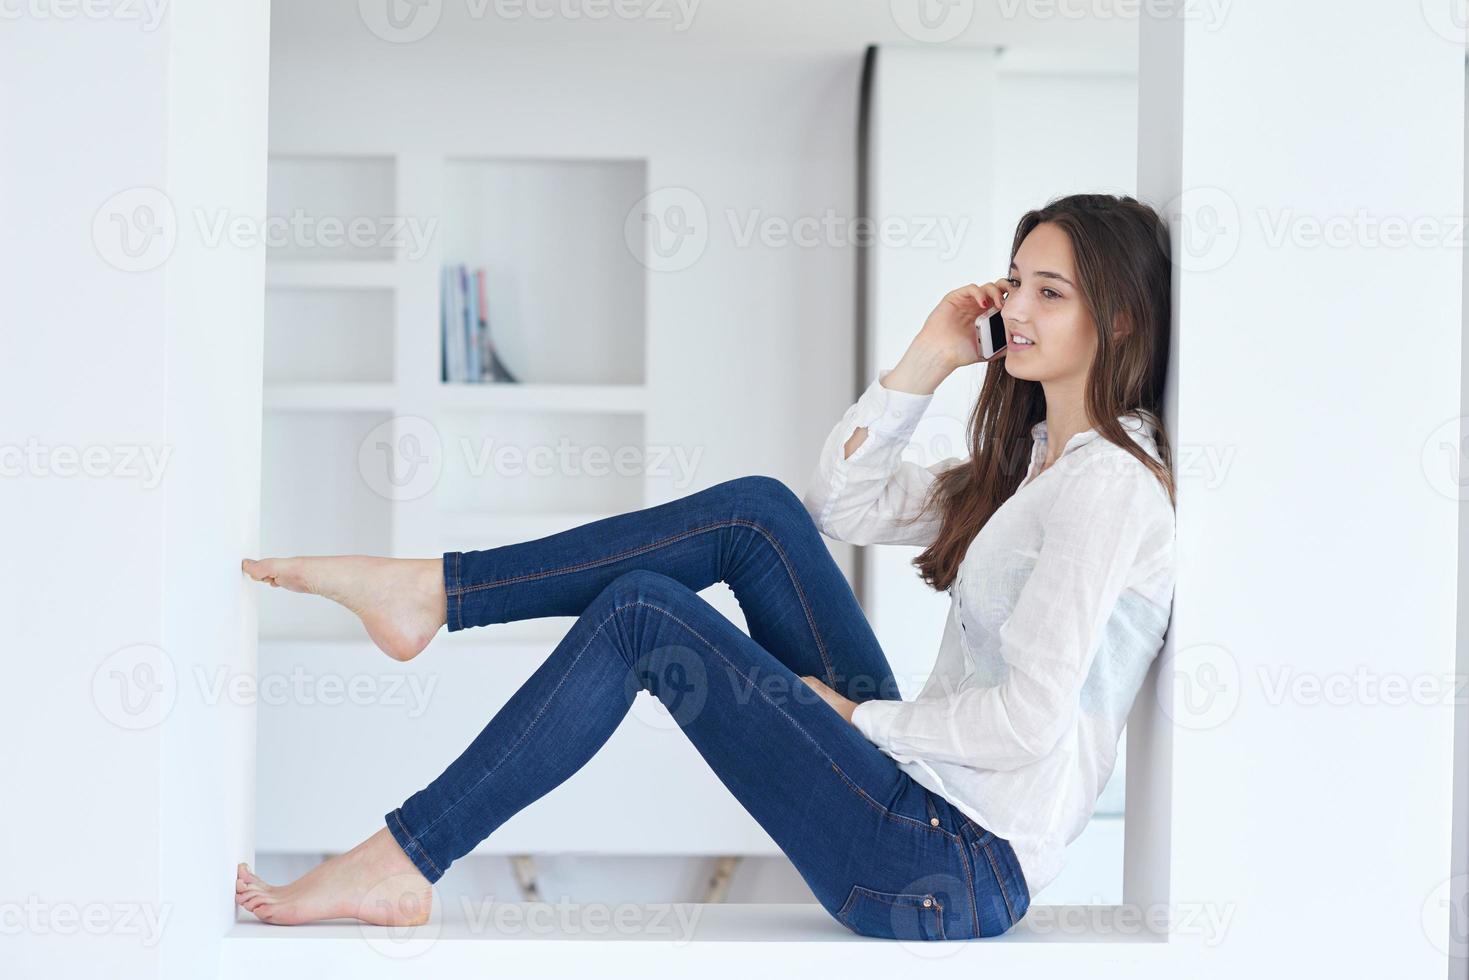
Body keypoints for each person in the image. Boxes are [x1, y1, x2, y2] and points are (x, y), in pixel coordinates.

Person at [235, 193, 1177, 942]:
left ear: (1122, 319)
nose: (1014, 308)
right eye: (1013, 284)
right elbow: (836, 507)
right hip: (922, 805)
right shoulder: (1032, 468)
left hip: (947, 867)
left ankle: (404, 857)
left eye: (1049, 292)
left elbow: (1025, 723)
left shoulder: (1106, 490)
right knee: (755, 514)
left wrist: (859, 719)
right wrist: (926, 359)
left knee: (643, 613)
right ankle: (437, 592)